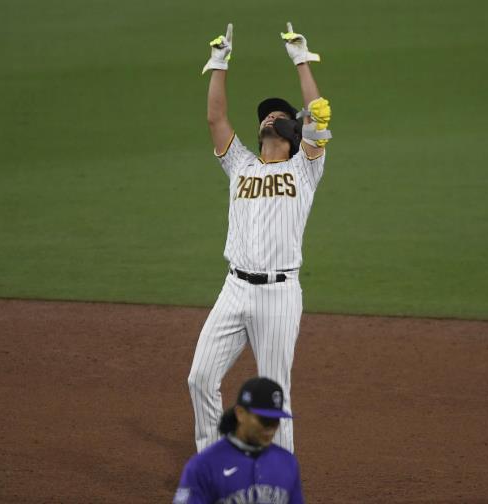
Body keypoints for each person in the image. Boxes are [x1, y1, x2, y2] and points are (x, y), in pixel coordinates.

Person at [187, 21, 332, 454]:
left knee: (273, 393)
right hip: (234, 288)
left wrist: (301, 60)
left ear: (293, 133)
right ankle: (213, 463)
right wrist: (219, 63)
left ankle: (276, 481)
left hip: (279, 293)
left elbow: (318, 113)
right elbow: (215, 118)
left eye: (279, 114)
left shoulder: (304, 168)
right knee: (200, 378)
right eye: (266, 115)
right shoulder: (241, 165)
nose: (270, 116)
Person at [173, 377, 304, 504]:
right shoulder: (203, 466)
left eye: (275, 421)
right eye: (264, 420)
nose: (270, 428)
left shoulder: (288, 462)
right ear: (240, 413)